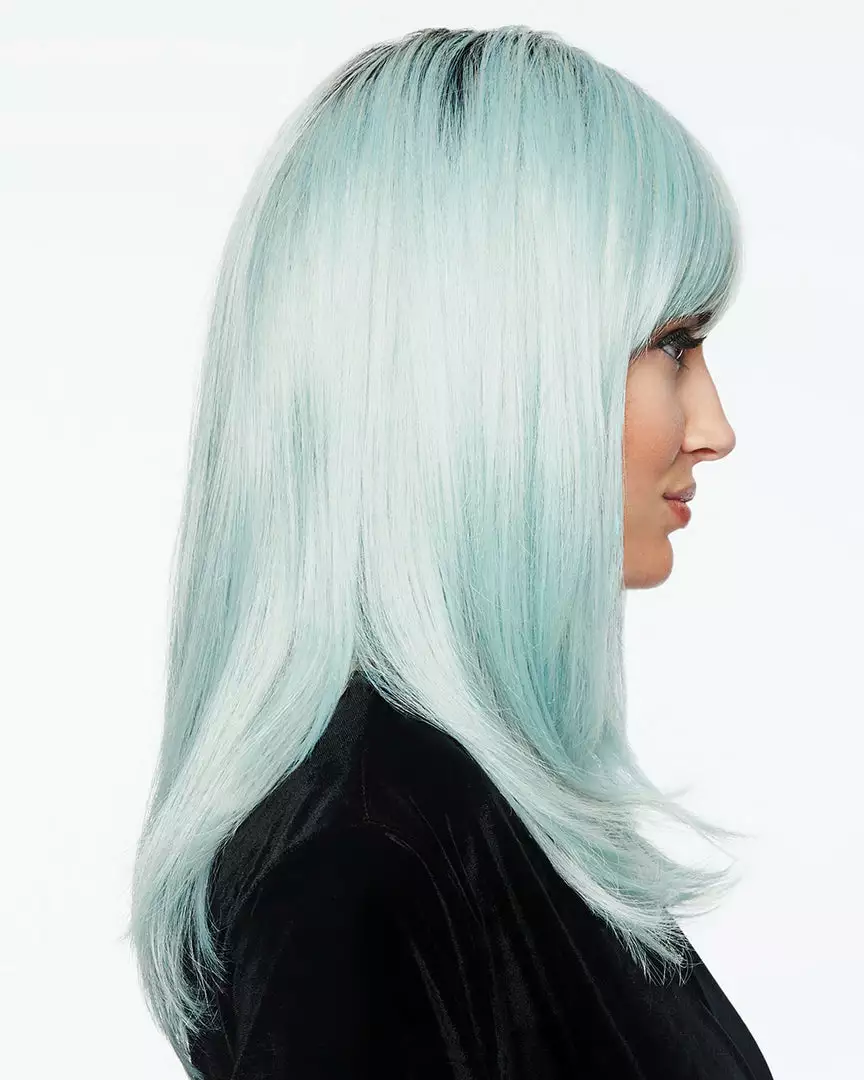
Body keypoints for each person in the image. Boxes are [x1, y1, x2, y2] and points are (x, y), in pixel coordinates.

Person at [124, 24, 774, 1080]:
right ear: (491, 370)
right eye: (671, 344)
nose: (714, 427)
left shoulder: (461, 821)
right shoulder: (367, 865)